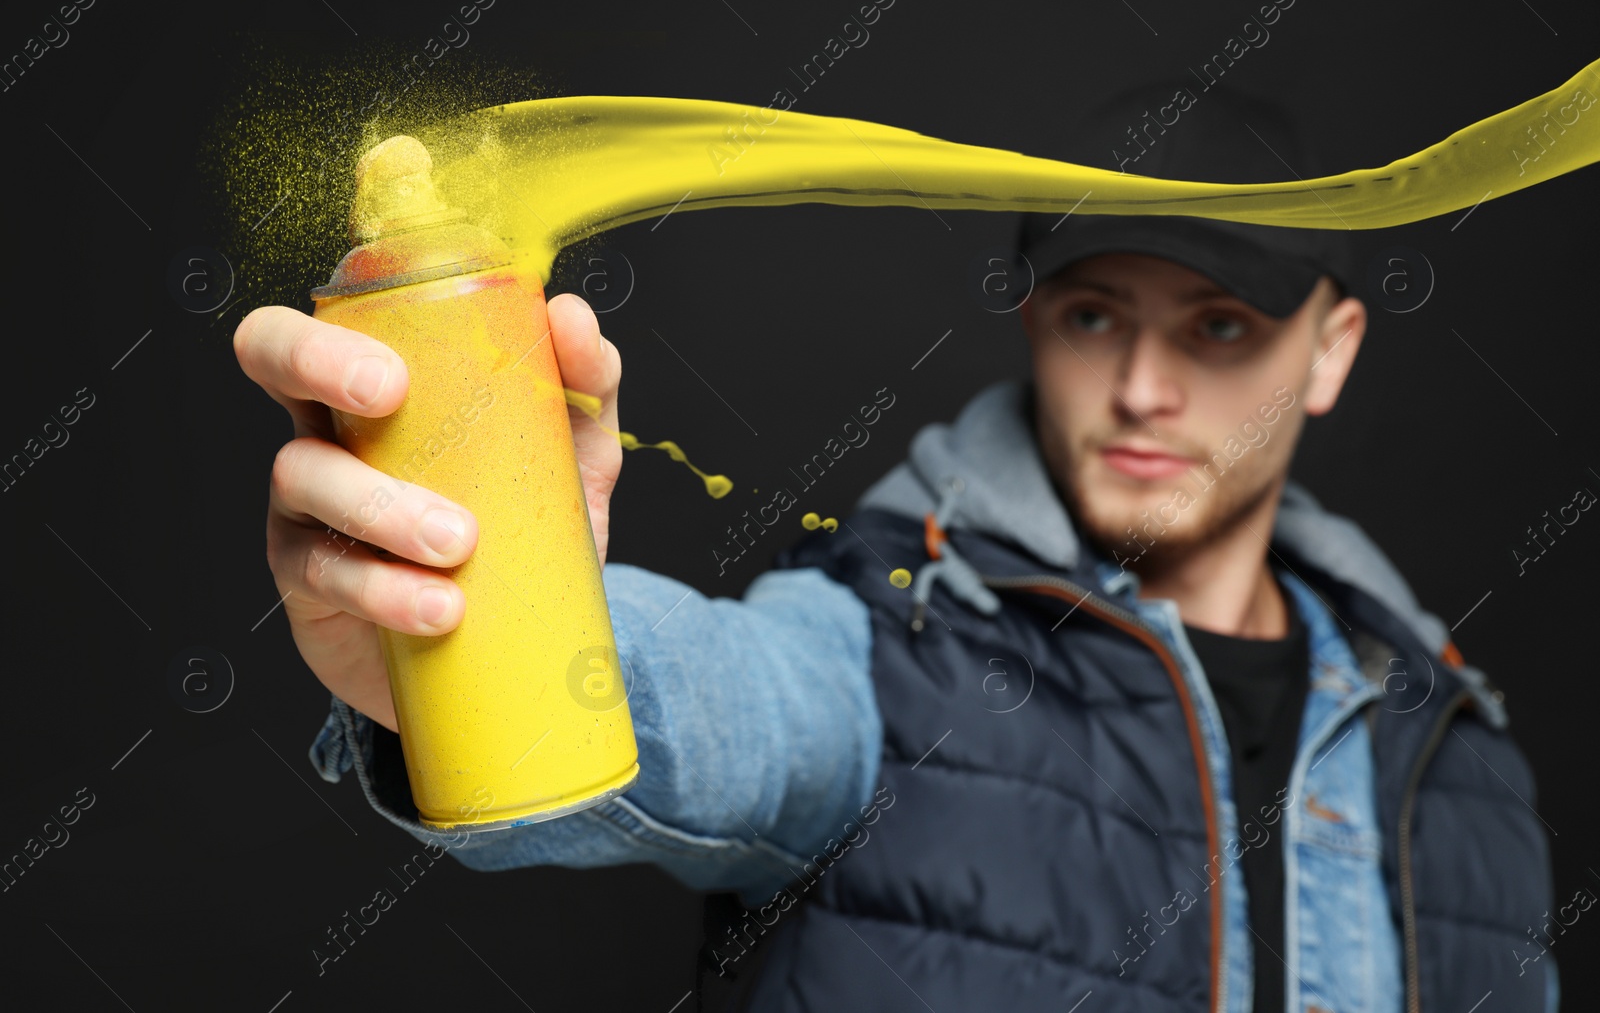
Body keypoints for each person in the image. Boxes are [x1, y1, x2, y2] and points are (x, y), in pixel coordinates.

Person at [235, 82, 1556, 1013]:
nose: (1146, 387)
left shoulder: (1467, 764)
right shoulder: (882, 651)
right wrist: (460, 636)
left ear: (1330, 352)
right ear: (1034, 320)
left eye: (1220, 328)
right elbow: (729, 703)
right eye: (1097, 316)